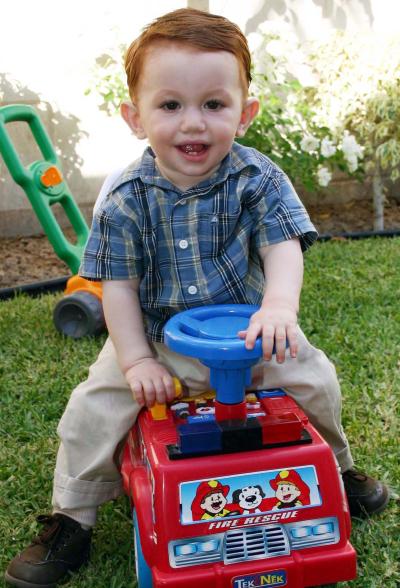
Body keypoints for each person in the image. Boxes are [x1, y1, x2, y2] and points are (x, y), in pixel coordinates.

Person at [5, 8, 389, 588]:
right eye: (170, 106)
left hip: (252, 335)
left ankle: (336, 469)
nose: (193, 124)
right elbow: (119, 286)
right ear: (135, 117)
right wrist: (134, 360)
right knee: (93, 407)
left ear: (245, 112)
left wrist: (280, 309)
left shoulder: (259, 178)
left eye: (214, 105)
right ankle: (72, 517)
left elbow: (282, 246)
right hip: (158, 340)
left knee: (316, 378)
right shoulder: (126, 198)